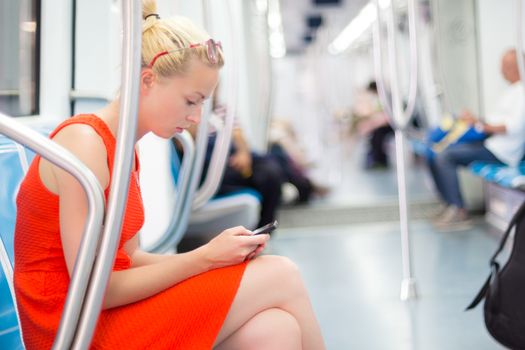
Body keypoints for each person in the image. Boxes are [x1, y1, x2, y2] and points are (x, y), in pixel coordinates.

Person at [13, 2, 326, 349]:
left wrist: (217, 256)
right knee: (281, 274)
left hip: (102, 313)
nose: (195, 118)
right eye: (191, 101)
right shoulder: (85, 143)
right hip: (74, 327)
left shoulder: (123, 149)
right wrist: (203, 259)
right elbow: (93, 288)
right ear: (148, 80)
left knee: (275, 329)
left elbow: (130, 260)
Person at [429, 49, 525, 230]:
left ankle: (458, 211)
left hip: (502, 152)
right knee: (437, 151)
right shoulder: (512, 92)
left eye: (505, 66)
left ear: (517, 67)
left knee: (445, 156)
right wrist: (476, 120)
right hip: (492, 143)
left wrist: (479, 124)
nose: (501, 71)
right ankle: (450, 204)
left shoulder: (522, 93)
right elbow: (496, 122)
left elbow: (512, 127)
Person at [352, 81, 394, 169]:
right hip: (381, 125)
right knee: (374, 135)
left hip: (390, 126)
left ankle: (379, 160)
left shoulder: (387, 99)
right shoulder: (378, 100)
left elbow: (387, 118)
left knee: (378, 135)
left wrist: (371, 125)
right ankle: (375, 159)